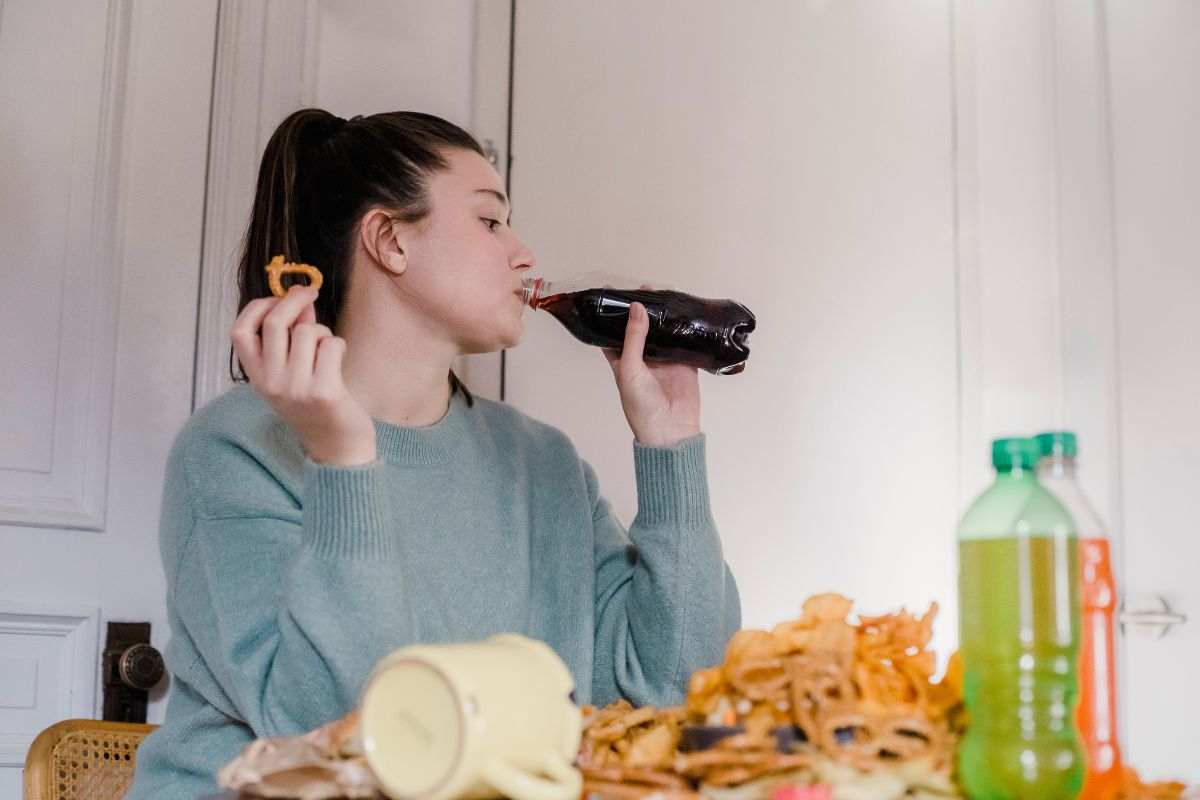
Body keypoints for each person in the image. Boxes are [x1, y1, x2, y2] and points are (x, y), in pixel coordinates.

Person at [128, 109, 740, 798]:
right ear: (389, 240)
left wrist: (671, 448)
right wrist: (343, 458)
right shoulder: (235, 449)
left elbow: (676, 691)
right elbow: (343, 736)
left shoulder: (542, 465)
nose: (523, 253)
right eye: (489, 221)